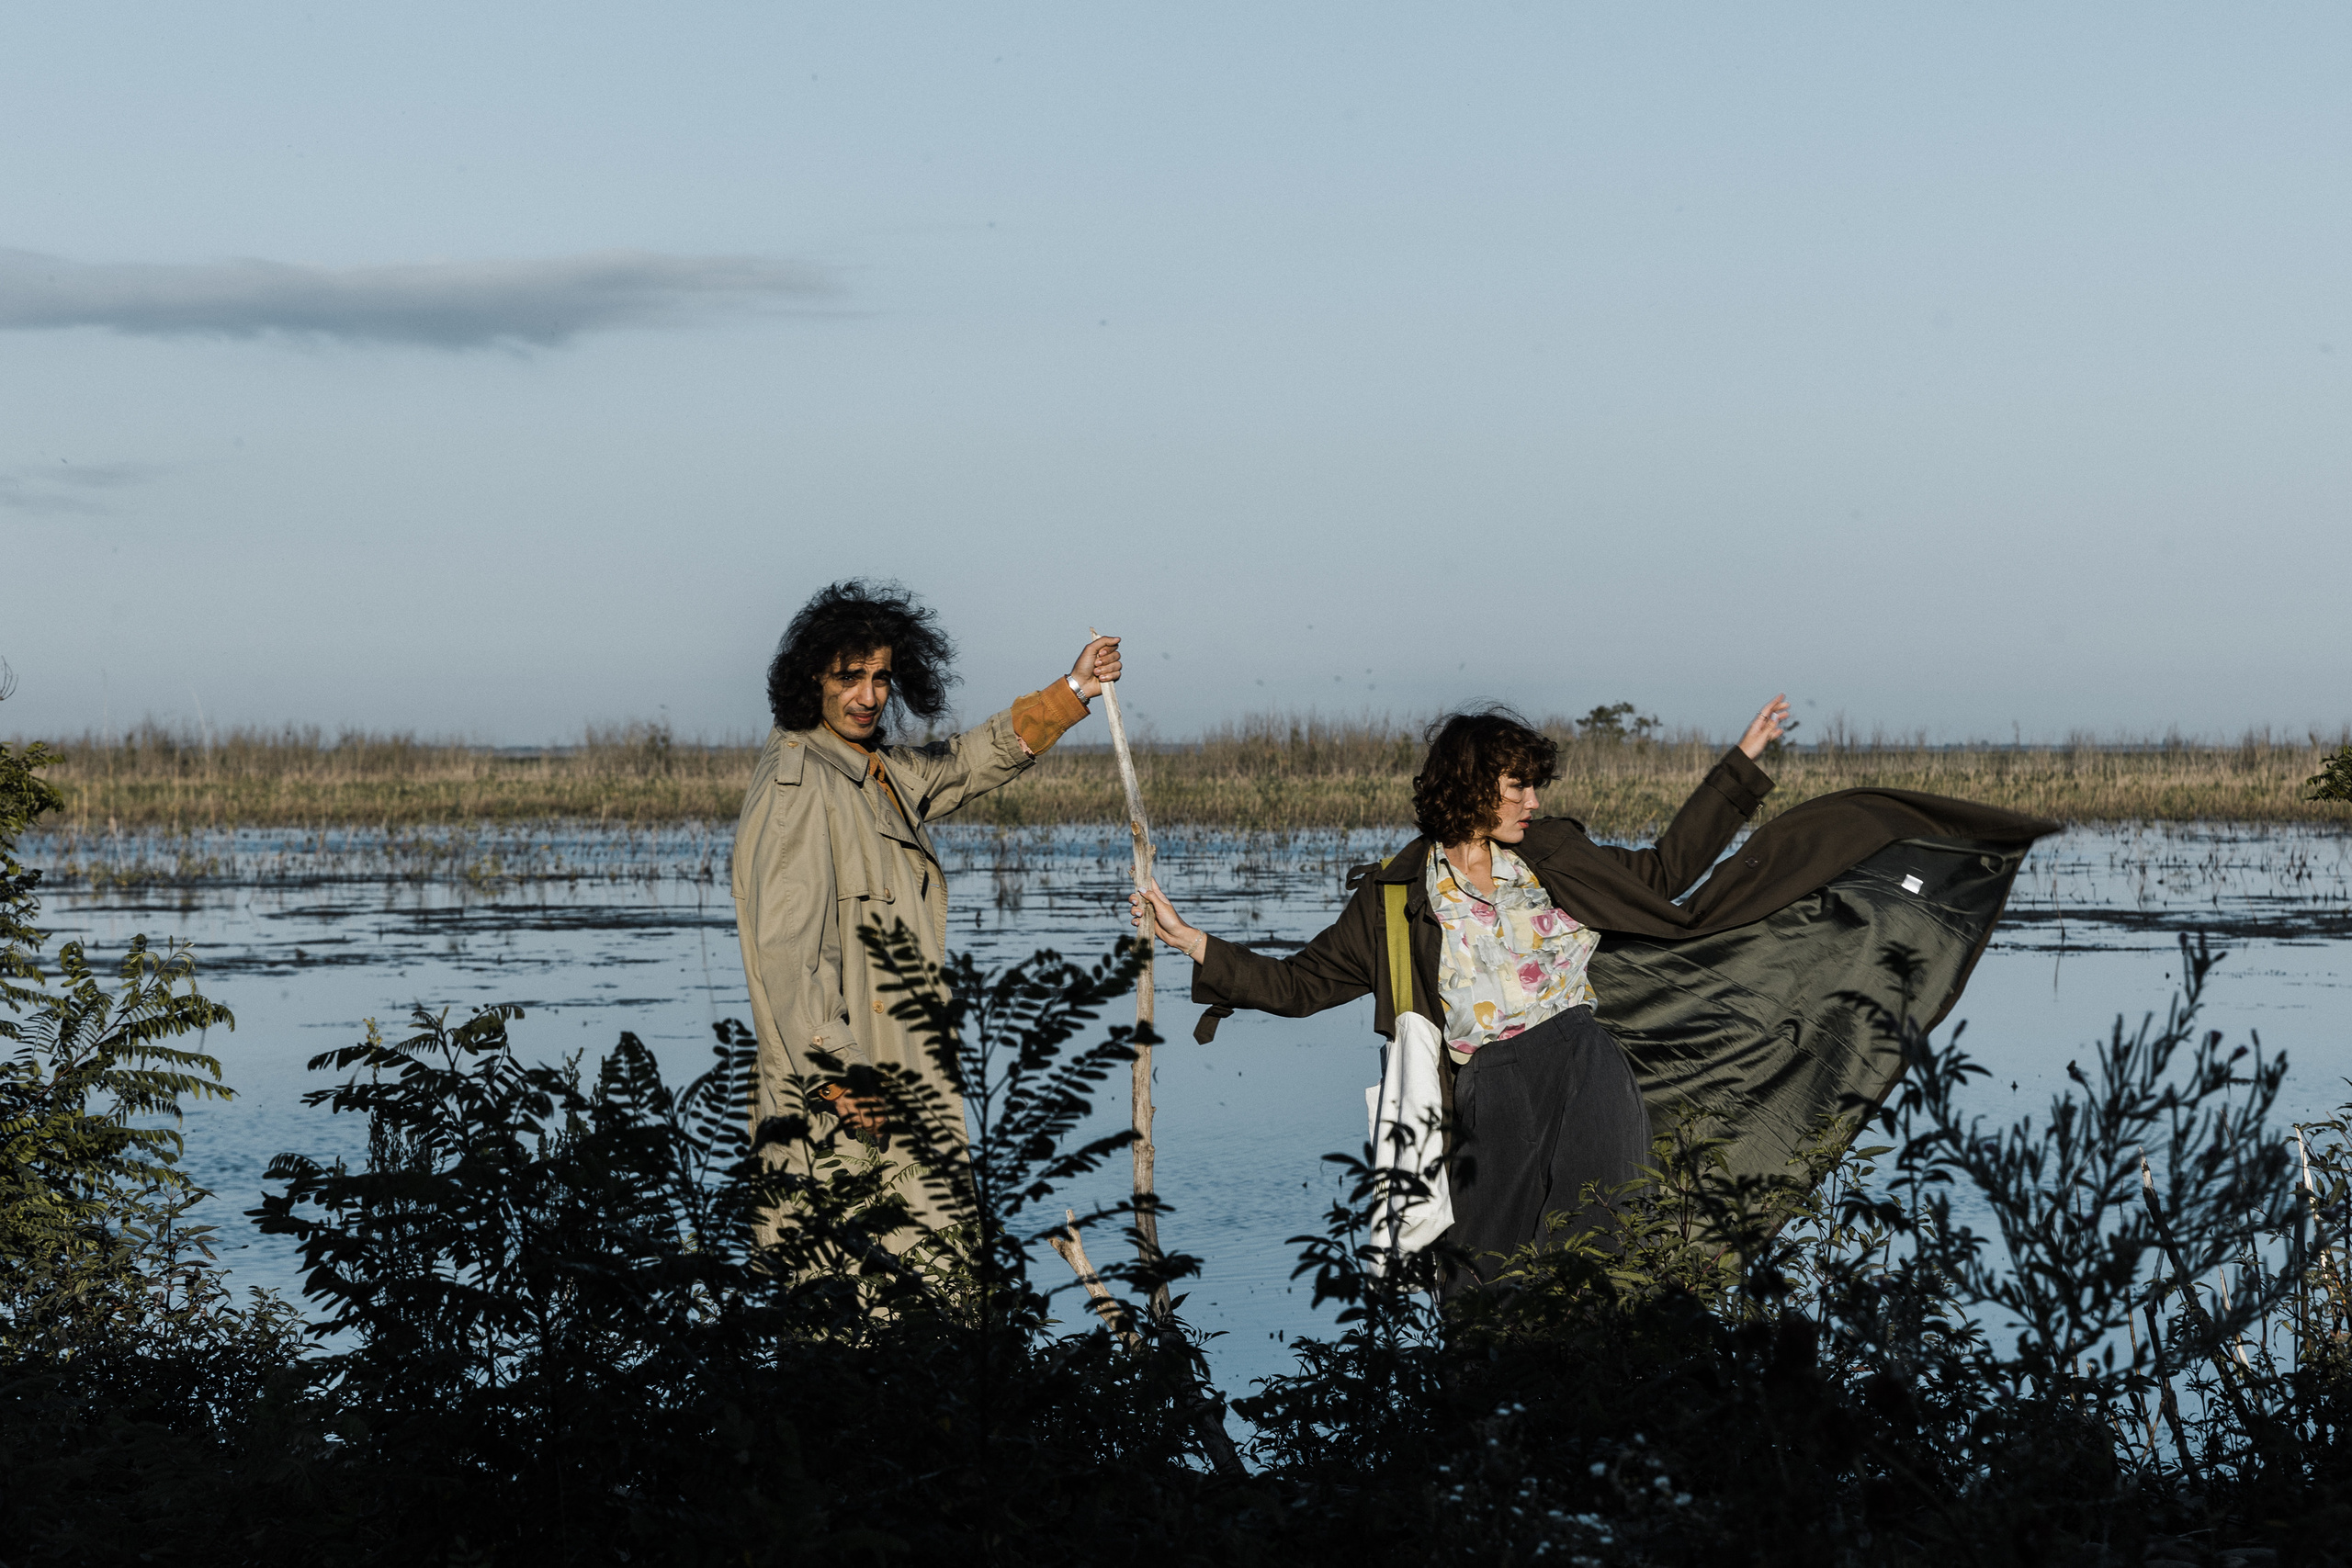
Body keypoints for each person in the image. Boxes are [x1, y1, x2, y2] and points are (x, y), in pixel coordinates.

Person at [1134, 698, 1793, 1291]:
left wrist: (1741, 765)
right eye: (1518, 786)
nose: (1533, 800)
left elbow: (1662, 871)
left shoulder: (1555, 850)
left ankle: (1599, 1405)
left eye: (1535, 785)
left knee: (1601, 1249)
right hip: (1489, 1088)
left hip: (1584, 1060)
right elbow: (1301, 983)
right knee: (1482, 1275)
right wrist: (1196, 943)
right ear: (1475, 785)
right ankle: (1473, 1418)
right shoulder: (1397, 896)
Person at [732, 579, 1120, 1240]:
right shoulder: (800, 784)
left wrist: (1073, 689)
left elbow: (965, 762)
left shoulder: (869, 767)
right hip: (845, 1109)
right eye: (849, 676)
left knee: (925, 1310)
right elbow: (790, 960)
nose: (868, 695)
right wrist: (845, 1078)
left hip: (893, 1086)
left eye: (881, 677)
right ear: (813, 680)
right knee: (861, 1315)